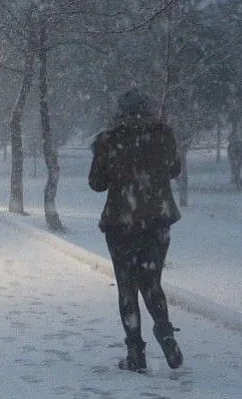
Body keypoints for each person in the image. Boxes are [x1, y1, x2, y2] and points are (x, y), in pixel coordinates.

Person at [88, 88, 183, 372]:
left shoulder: (109, 140)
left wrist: (108, 159)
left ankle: (135, 353)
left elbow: (96, 183)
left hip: (121, 223)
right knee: (151, 282)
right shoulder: (163, 135)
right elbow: (174, 170)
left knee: (127, 287)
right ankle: (165, 334)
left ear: (120, 110)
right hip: (157, 222)